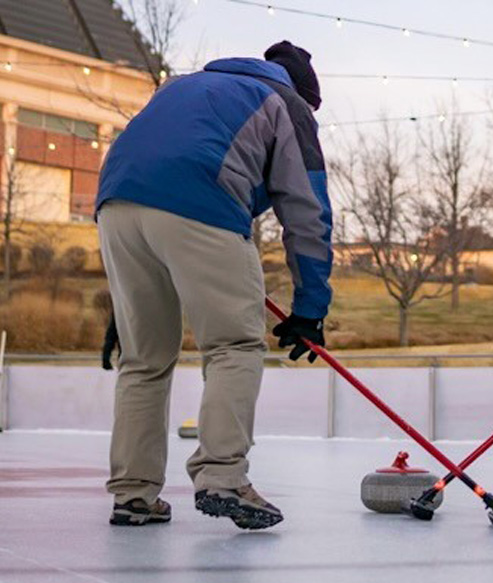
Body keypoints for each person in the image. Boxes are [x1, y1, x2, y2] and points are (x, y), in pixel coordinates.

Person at [96, 41, 333, 530]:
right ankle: (223, 478)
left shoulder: (181, 86)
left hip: (115, 206)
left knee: (143, 360)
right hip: (201, 204)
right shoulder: (288, 104)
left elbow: (151, 172)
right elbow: (306, 211)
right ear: (304, 93)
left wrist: (122, 312)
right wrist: (311, 308)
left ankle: (133, 493)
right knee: (235, 346)